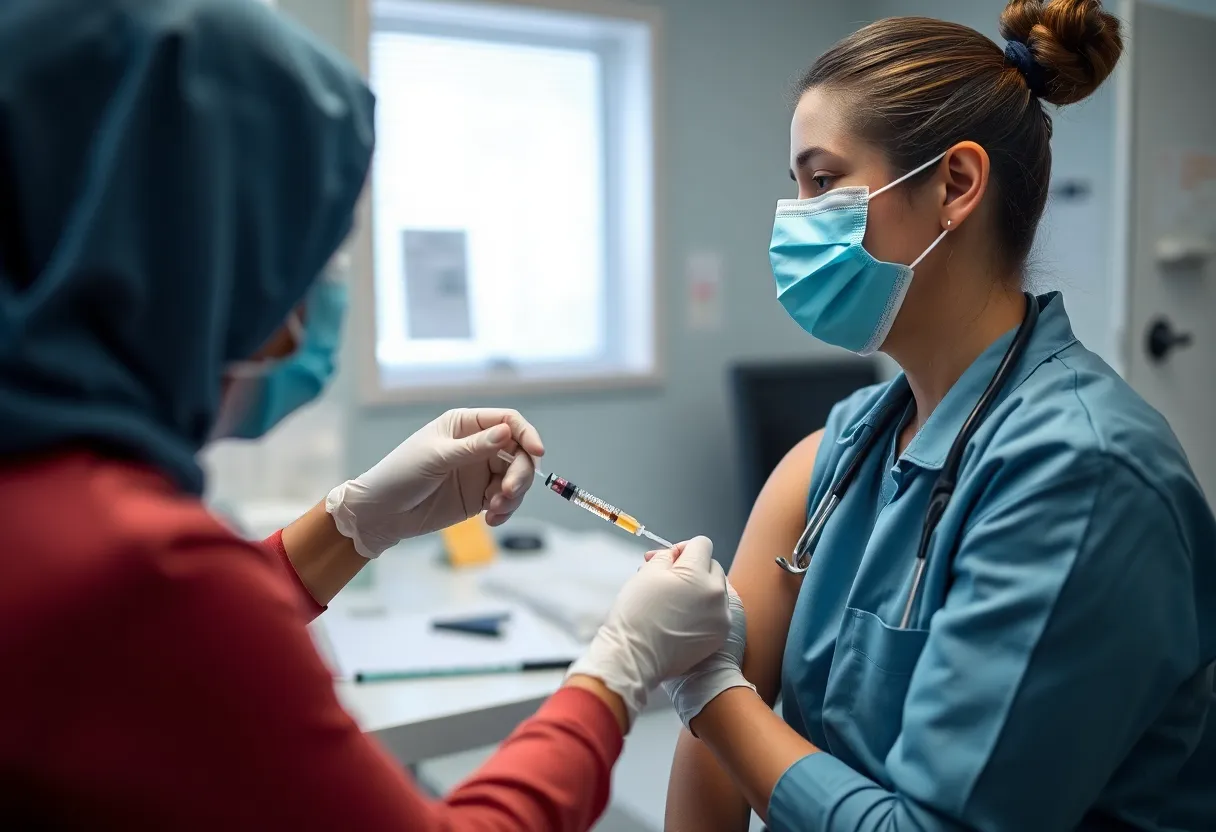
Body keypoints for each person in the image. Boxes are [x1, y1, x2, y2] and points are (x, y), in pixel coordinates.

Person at [0, 1, 735, 828]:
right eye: (305, 262)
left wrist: (353, 524)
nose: (303, 318)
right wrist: (617, 670)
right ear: (196, 254)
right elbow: (171, 618)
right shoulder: (136, 571)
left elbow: (137, 657)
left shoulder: (48, 504)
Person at [661, 1, 1216, 830]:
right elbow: (709, 770)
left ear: (956, 185)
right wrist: (721, 697)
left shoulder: (1084, 476)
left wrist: (711, 686)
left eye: (824, 180)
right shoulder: (841, 452)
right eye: (798, 186)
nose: (798, 218)